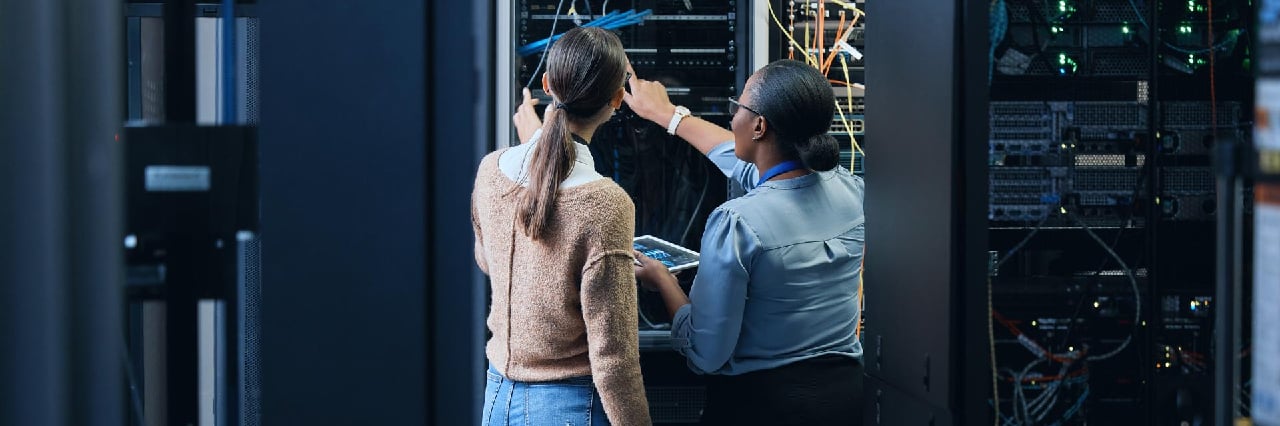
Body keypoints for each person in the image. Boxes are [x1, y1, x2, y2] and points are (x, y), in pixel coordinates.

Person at [626, 59, 866, 425]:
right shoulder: (852, 190)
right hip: (845, 402)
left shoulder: (737, 223)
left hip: (762, 407)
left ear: (759, 126)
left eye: (737, 107)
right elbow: (749, 164)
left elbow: (706, 352)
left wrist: (663, 281)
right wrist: (668, 116)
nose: (732, 116)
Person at [471, 27, 651, 426]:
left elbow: (488, 260)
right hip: (570, 405)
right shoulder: (606, 203)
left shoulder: (491, 170)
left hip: (497, 398)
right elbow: (614, 355)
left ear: (547, 84)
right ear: (617, 99)